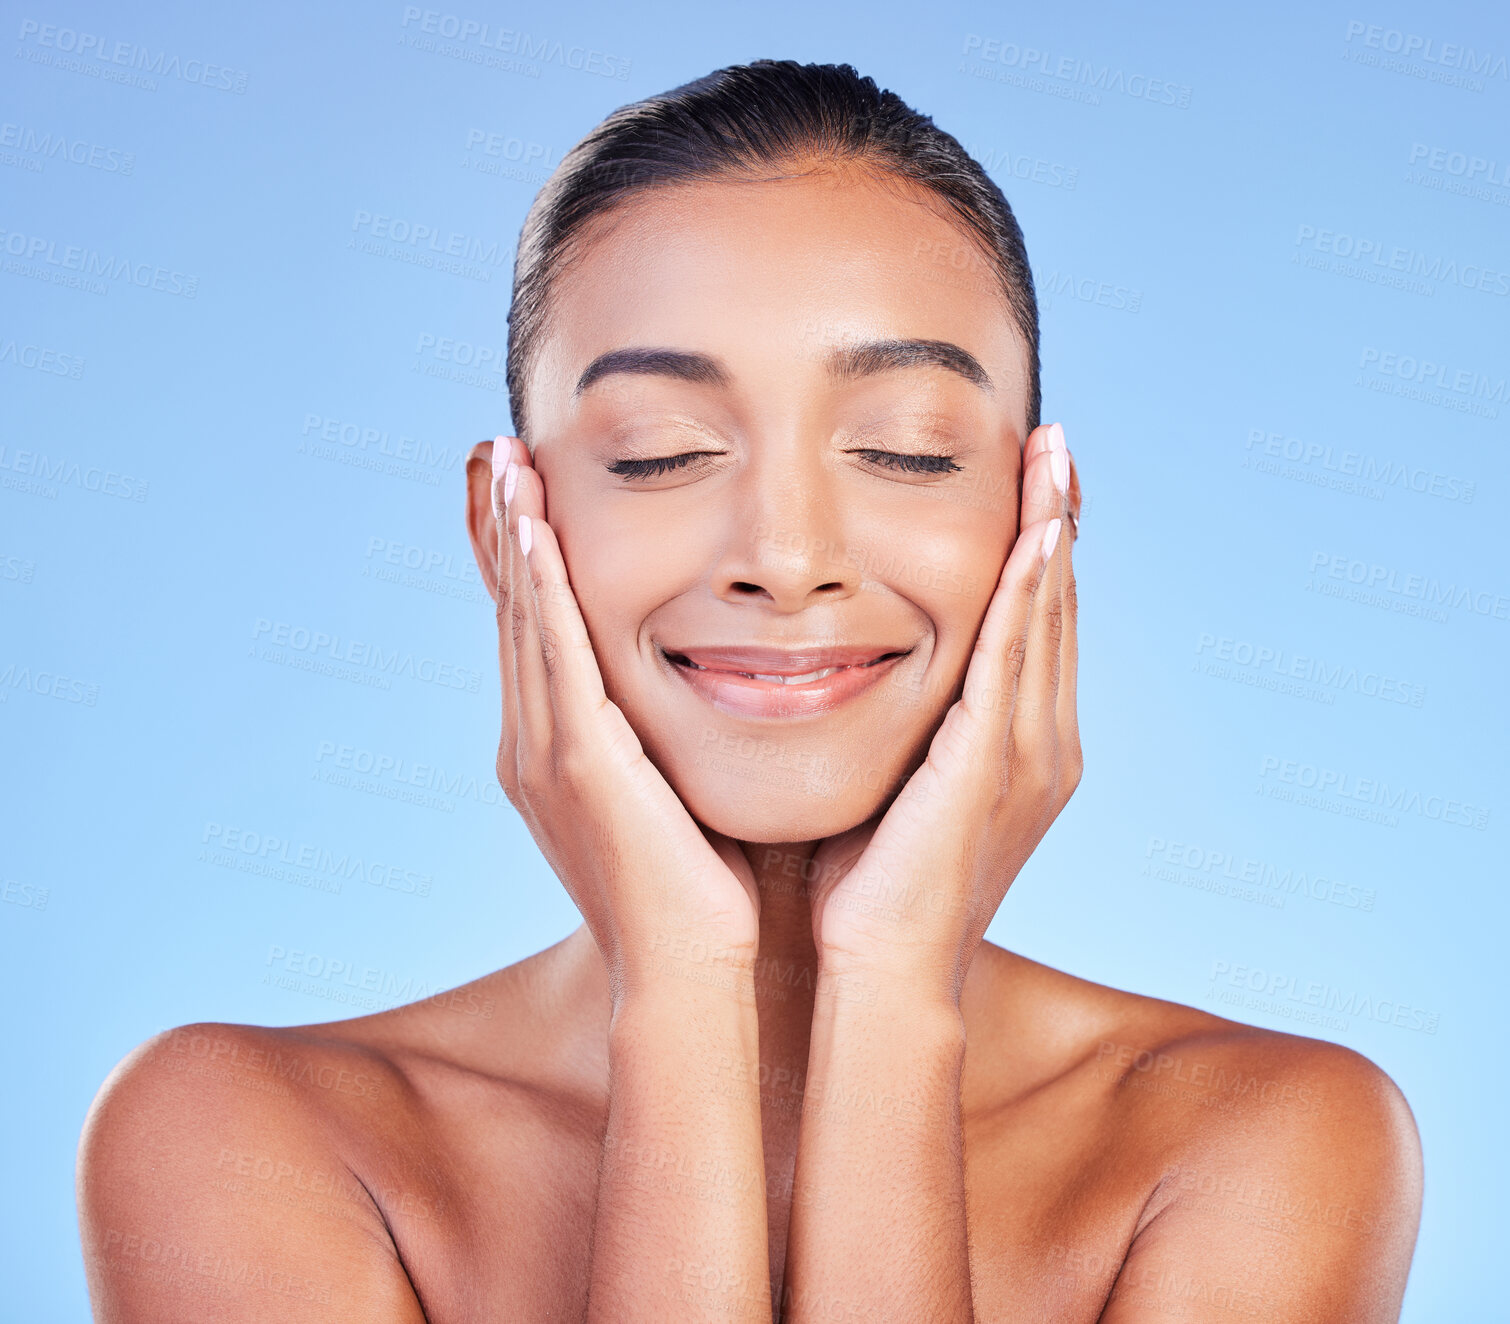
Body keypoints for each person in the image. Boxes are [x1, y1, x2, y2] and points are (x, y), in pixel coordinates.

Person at [76, 60, 1422, 1322]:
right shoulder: (250, 1138)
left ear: (1040, 512)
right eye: (662, 455)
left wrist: (894, 991)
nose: (786, 559)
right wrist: (676, 993)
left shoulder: (1264, 1139)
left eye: (902, 450)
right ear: (505, 528)